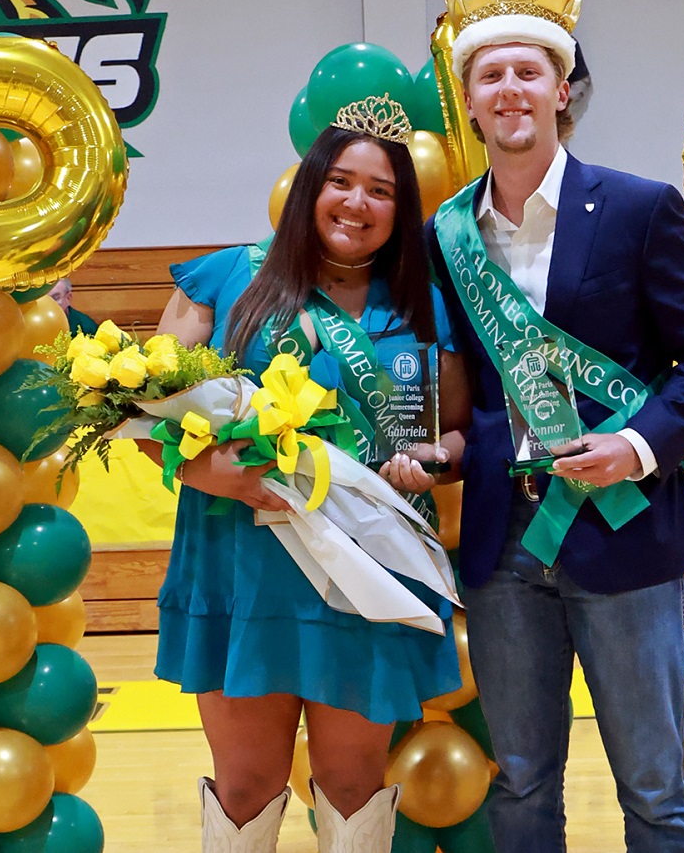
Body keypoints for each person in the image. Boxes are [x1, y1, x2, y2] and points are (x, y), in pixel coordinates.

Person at [427, 0, 684, 853]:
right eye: (490, 74)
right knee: (520, 781)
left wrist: (637, 447)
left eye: (529, 69)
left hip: (623, 528)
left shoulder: (639, 209)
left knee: (652, 784)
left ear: (563, 88)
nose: (510, 88)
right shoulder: (444, 235)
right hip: (502, 544)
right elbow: (451, 384)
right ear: (472, 101)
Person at [144, 94, 470, 853]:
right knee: (245, 783)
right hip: (242, 561)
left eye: (382, 191)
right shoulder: (227, 279)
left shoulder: (419, 306)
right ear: (308, 188)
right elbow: (140, 406)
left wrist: (435, 460)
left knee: (353, 781)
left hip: (362, 570)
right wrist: (198, 470)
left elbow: (455, 432)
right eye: (341, 182)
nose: (357, 203)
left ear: (400, 208)